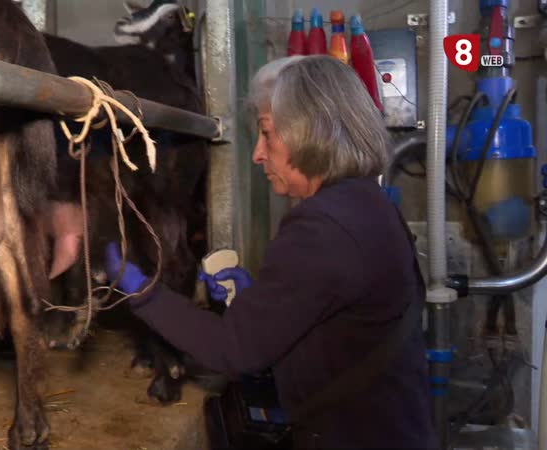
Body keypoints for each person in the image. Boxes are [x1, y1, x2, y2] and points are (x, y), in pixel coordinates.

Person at [103, 55, 438, 449]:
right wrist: (256, 301)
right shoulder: (368, 204)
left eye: (267, 134)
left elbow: (233, 349)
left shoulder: (321, 227)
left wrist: (143, 291)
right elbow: (332, 319)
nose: (257, 154)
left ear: (306, 133)